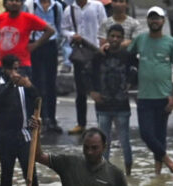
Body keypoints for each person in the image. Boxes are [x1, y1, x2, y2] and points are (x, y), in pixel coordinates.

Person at [128, 6, 173, 176]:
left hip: (164, 96)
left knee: (160, 137)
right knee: (146, 133)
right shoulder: (140, 40)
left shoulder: (171, 43)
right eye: (151, 18)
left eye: (157, 18)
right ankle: (171, 163)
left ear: (163, 21)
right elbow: (127, 54)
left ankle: (157, 174)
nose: (154, 21)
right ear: (147, 20)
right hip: (144, 96)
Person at [0, 54, 40, 186]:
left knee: (31, 175)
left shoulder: (23, 83)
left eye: (17, 69)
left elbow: (38, 99)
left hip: (24, 135)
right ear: (4, 70)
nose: (15, 73)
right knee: (6, 175)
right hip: (5, 136)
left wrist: (30, 87)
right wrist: (11, 84)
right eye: (12, 70)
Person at [90, 23, 136, 175]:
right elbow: (87, 74)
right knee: (103, 142)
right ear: (107, 37)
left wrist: (130, 83)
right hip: (103, 105)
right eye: (112, 36)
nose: (115, 39)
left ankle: (129, 173)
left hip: (122, 104)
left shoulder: (128, 55)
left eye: (118, 37)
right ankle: (104, 172)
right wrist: (92, 92)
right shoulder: (99, 55)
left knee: (125, 141)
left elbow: (136, 69)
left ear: (123, 39)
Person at [61, 0, 105, 134]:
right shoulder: (69, 9)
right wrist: (72, 35)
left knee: (98, 88)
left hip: (96, 51)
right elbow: (64, 29)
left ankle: (102, 123)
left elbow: (104, 25)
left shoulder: (97, 6)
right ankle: (81, 123)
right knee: (80, 90)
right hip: (80, 53)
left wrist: (102, 43)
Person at [23, 0, 63, 131]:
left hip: (51, 45)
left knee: (51, 83)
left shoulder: (57, 6)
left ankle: (51, 118)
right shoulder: (30, 5)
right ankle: (38, 117)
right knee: (37, 83)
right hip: (34, 45)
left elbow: (59, 27)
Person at [0, 0, 55, 77]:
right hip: (2, 64)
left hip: (22, 64)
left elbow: (50, 31)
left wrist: (35, 44)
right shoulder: (0, 18)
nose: (14, 3)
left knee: (22, 88)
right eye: (11, 1)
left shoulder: (28, 18)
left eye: (17, 1)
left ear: (21, 4)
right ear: (5, 4)